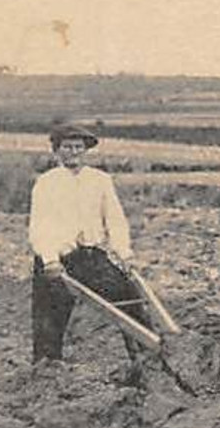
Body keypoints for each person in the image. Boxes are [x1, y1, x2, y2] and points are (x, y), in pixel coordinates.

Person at [28, 121, 155, 371]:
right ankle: (47, 368)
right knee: (50, 313)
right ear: (57, 151)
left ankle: (147, 359)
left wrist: (124, 253)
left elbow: (116, 220)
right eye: (67, 147)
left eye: (78, 147)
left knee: (127, 296)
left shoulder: (100, 180)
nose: (73, 152)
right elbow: (39, 225)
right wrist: (50, 259)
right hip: (58, 258)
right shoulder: (47, 183)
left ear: (85, 150)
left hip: (92, 255)